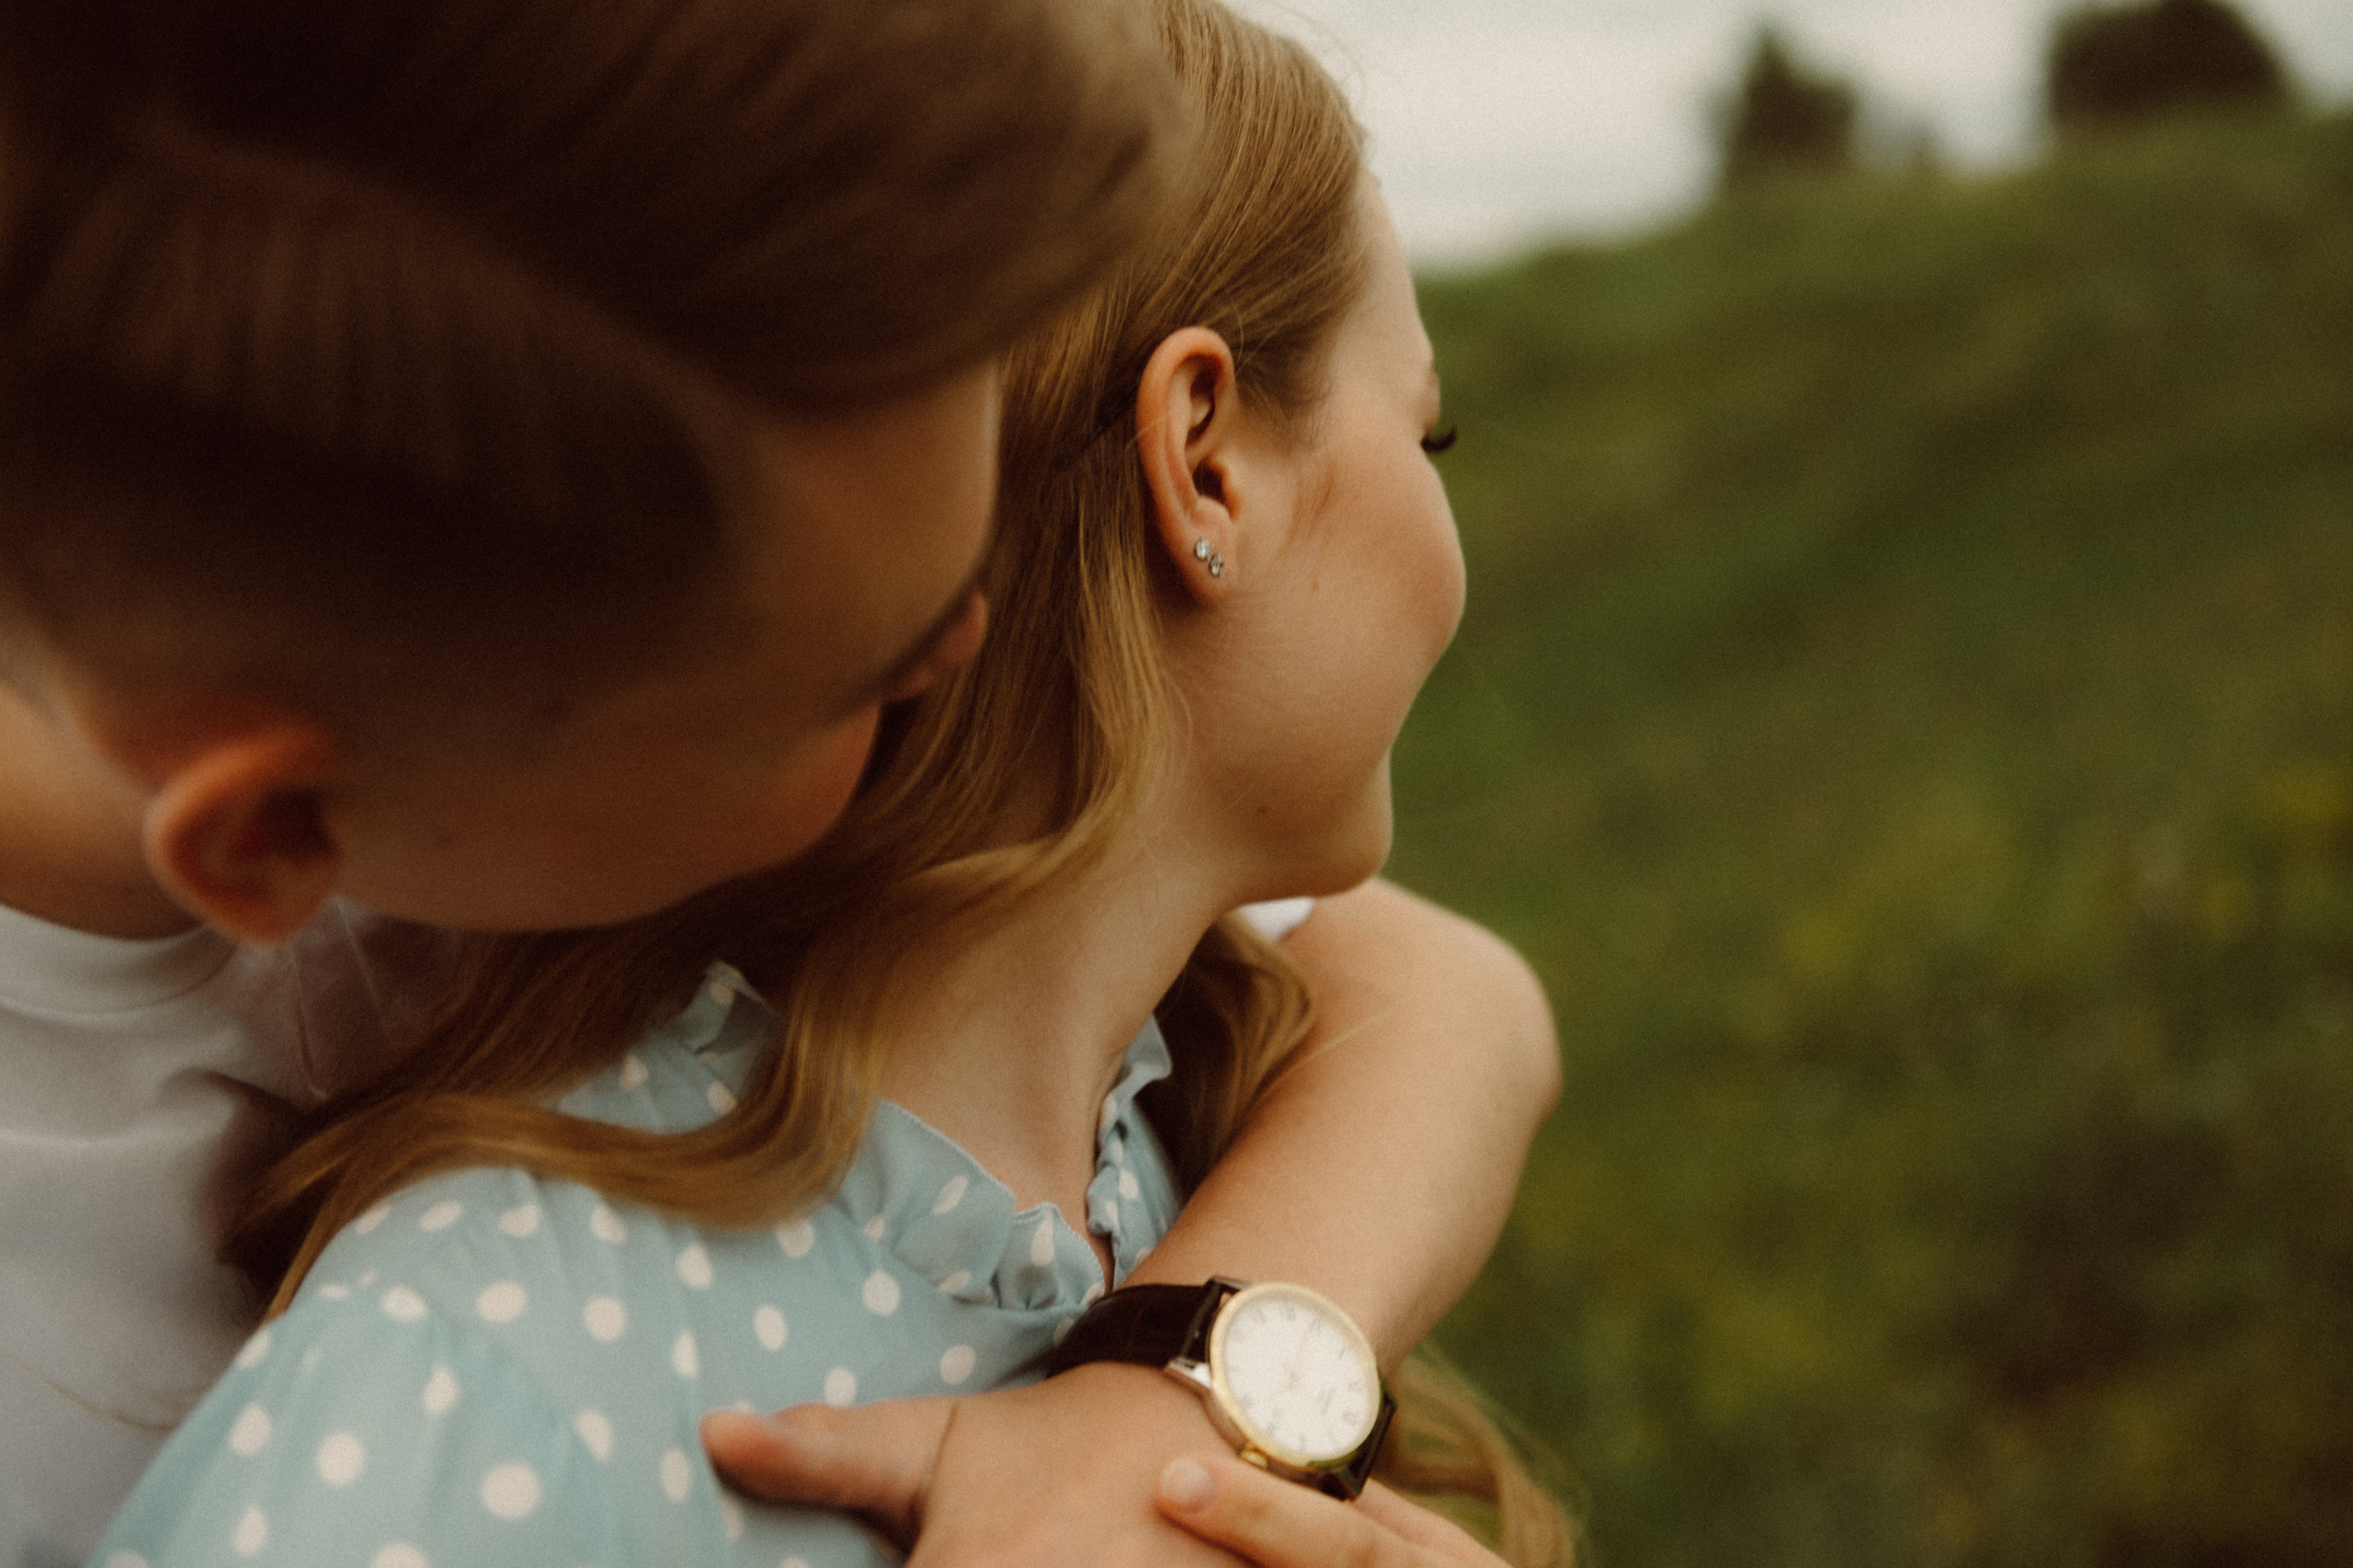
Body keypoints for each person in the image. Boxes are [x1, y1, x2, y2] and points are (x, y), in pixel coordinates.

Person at [0, 0, 1557, 1563]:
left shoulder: (502, 760)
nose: (975, 642)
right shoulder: (441, 1371)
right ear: (276, 827)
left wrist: (1173, 1409)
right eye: (868, 677)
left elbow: (1439, 998)